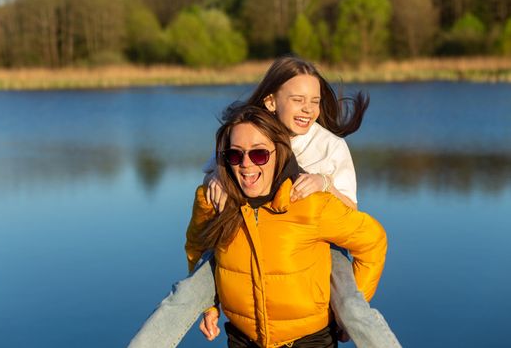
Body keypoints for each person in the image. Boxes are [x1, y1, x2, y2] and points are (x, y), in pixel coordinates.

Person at [128, 56, 401, 347]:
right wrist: (216, 179)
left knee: (352, 308)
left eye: (315, 101)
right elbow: (215, 171)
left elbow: (351, 213)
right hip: (246, 236)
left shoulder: (329, 145)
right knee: (185, 295)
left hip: (316, 241)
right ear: (271, 102)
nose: (308, 109)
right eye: (298, 100)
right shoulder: (249, 130)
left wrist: (324, 183)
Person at [191, 105, 387, 347]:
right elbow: (197, 246)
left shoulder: (312, 205)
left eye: (259, 154)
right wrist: (208, 304)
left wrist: (348, 310)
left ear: (280, 152)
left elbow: (372, 241)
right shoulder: (212, 200)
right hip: (242, 340)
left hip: (310, 342)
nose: (246, 164)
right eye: (235, 155)